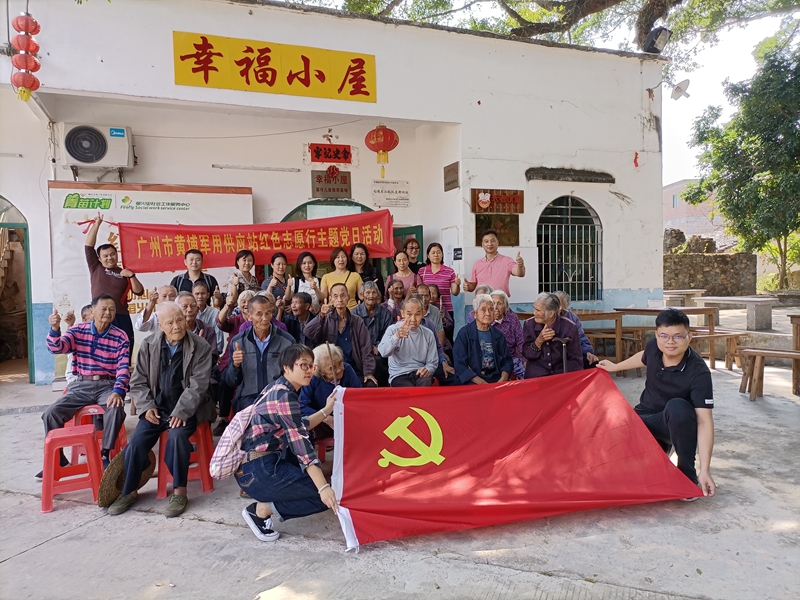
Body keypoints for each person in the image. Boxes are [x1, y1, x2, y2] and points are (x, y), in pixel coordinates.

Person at [106, 301, 215, 517]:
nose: (177, 326)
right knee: (136, 442)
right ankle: (130, 490)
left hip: (188, 409)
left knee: (177, 438)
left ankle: (180, 490)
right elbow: (138, 382)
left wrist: (181, 411)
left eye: (180, 320)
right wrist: (147, 407)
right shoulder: (149, 345)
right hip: (157, 408)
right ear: (161, 326)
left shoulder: (200, 346)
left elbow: (198, 385)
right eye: (170, 322)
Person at [597, 309, 716, 498]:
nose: (670, 342)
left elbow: (704, 421)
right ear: (656, 335)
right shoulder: (654, 346)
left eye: (678, 336)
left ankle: (687, 475)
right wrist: (615, 366)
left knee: (678, 407)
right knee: (618, 462)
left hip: (674, 425)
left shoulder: (698, 372)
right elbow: (644, 356)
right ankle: (657, 452)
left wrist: (705, 469)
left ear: (689, 336)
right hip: (644, 419)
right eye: (664, 336)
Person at [237, 344, 338, 542]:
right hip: (259, 470)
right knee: (322, 497)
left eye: (312, 366)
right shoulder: (285, 396)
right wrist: (323, 488)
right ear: (286, 367)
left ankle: (268, 504)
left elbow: (299, 425)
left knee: (320, 486)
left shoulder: (277, 388)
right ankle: (260, 511)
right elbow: (302, 445)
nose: (309, 371)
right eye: (303, 365)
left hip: (254, 467)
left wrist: (326, 410)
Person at [41, 294, 129, 478]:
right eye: (103, 309)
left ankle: (104, 453)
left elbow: (123, 368)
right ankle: (58, 459)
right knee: (51, 413)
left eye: (112, 309)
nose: (108, 312)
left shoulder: (120, 336)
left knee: (116, 408)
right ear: (92, 311)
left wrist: (118, 391)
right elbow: (57, 348)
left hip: (107, 384)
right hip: (81, 384)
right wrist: (55, 329)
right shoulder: (77, 331)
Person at [222, 295, 294, 413]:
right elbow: (231, 381)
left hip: (277, 397)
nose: (265, 318)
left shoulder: (287, 341)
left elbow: (293, 375)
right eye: (259, 314)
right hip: (248, 399)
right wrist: (235, 365)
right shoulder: (238, 341)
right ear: (249, 316)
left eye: (268, 313)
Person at [84, 212, 143, 344]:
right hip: (101, 315)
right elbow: (88, 247)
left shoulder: (124, 272)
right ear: (99, 258)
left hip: (121, 316)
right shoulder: (96, 267)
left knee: (125, 345)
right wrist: (97, 224)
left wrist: (132, 276)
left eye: (112, 254)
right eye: (105, 256)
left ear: (117, 255)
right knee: (100, 347)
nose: (110, 258)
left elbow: (139, 292)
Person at [305, 283, 378, 387]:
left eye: (343, 295)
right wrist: (321, 315)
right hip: (331, 370)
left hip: (354, 369)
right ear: (330, 299)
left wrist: (368, 372)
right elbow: (308, 331)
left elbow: (366, 349)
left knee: (370, 385)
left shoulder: (357, 321)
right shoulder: (325, 319)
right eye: (335, 296)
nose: (339, 299)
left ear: (348, 297)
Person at [299, 343, 361, 441]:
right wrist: (326, 417)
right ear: (320, 371)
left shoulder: (347, 369)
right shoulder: (313, 377)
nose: (339, 369)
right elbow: (302, 405)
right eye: (332, 368)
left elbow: (359, 396)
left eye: (340, 363)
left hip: (347, 418)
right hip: (322, 421)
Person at [378, 296, 439, 387]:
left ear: (423, 314)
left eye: (417, 314)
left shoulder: (428, 334)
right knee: (408, 389)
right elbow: (383, 352)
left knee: (425, 383)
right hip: (399, 374)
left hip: (419, 373)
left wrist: (428, 369)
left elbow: (432, 362)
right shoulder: (393, 329)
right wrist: (396, 337)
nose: (413, 319)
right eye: (409, 314)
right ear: (403, 313)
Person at [453, 294, 513, 385]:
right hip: (472, 380)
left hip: (495, 379)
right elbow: (459, 363)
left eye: (491, 309)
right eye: (483, 310)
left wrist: (503, 379)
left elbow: (507, 361)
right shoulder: (464, 334)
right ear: (474, 314)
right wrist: (480, 382)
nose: (488, 313)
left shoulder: (498, 335)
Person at [522, 292, 582, 379]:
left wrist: (567, 378)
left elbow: (575, 359)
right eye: (534, 309)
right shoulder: (529, 324)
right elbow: (526, 354)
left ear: (551, 313)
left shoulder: (569, 327)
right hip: (537, 375)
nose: (534, 313)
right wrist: (538, 341)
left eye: (538, 310)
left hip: (560, 375)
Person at [351, 281, 393, 386]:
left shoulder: (385, 313)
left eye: (374, 292)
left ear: (378, 295)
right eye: (368, 292)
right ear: (362, 295)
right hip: (361, 351)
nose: (371, 296)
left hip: (380, 351)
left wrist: (378, 346)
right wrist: (369, 347)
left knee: (379, 361)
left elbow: (388, 335)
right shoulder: (354, 314)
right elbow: (354, 337)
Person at [463, 229, 525, 297]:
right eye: (486, 241)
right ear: (482, 244)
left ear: (497, 242)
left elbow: (520, 273)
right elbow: (472, 286)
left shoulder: (507, 261)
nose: (489, 244)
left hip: (500, 301)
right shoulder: (477, 264)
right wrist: (468, 286)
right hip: (483, 301)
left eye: (492, 241)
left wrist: (520, 265)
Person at [554, 290, 599, 369]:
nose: (557, 306)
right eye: (554, 303)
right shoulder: (547, 317)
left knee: (592, 361)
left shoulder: (573, 318)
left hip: (572, 352)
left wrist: (587, 352)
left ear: (567, 305)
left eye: (559, 303)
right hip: (554, 354)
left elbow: (581, 337)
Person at [418, 242, 460, 321]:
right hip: (427, 310)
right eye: (433, 253)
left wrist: (457, 284)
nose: (436, 255)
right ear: (428, 255)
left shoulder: (449, 271)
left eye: (438, 252)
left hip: (446, 309)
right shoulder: (422, 271)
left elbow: (455, 292)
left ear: (442, 255)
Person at [490, 290, 526, 380]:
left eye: (499, 304)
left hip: (511, 357)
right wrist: (491, 319)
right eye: (493, 303)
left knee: (527, 375)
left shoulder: (512, 318)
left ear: (506, 306)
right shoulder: (486, 319)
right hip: (492, 359)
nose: (495, 307)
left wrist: (525, 359)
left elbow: (521, 340)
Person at [176, 292, 219, 363]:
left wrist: (203, 348)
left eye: (193, 306)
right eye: (184, 306)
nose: (189, 310)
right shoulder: (173, 330)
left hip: (201, 368)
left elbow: (213, 359)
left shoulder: (208, 330)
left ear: (197, 309)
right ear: (177, 310)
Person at [192, 281, 224, 356]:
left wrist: (214, 354)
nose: (200, 296)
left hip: (212, 353)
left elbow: (218, 337)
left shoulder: (215, 312)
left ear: (208, 295)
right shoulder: (189, 313)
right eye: (197, 294)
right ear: (192, 295)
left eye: (203, 293)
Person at [64, 304, 92, 385]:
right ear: (84, 317)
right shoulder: (78, 333)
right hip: (76, 380)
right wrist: (70, 324)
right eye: (93, 314)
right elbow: (66, 345)